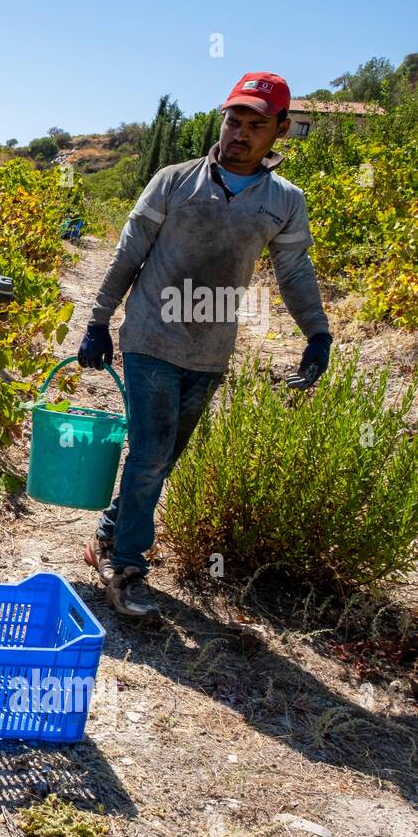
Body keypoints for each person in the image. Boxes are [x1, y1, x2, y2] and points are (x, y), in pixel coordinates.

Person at [77, 71, 333, 621]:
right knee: (148, 454)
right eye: (232, 120)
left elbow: (294, 270)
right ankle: (126, 568)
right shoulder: (173, 181)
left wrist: (318, 333)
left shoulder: (284, 201)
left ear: (281, 130)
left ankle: (112, 528)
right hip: (150, 335)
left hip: (211, 348)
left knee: (165, 456)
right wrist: (98, 321)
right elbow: (127, 256)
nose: (239, 133)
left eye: (255, 125)